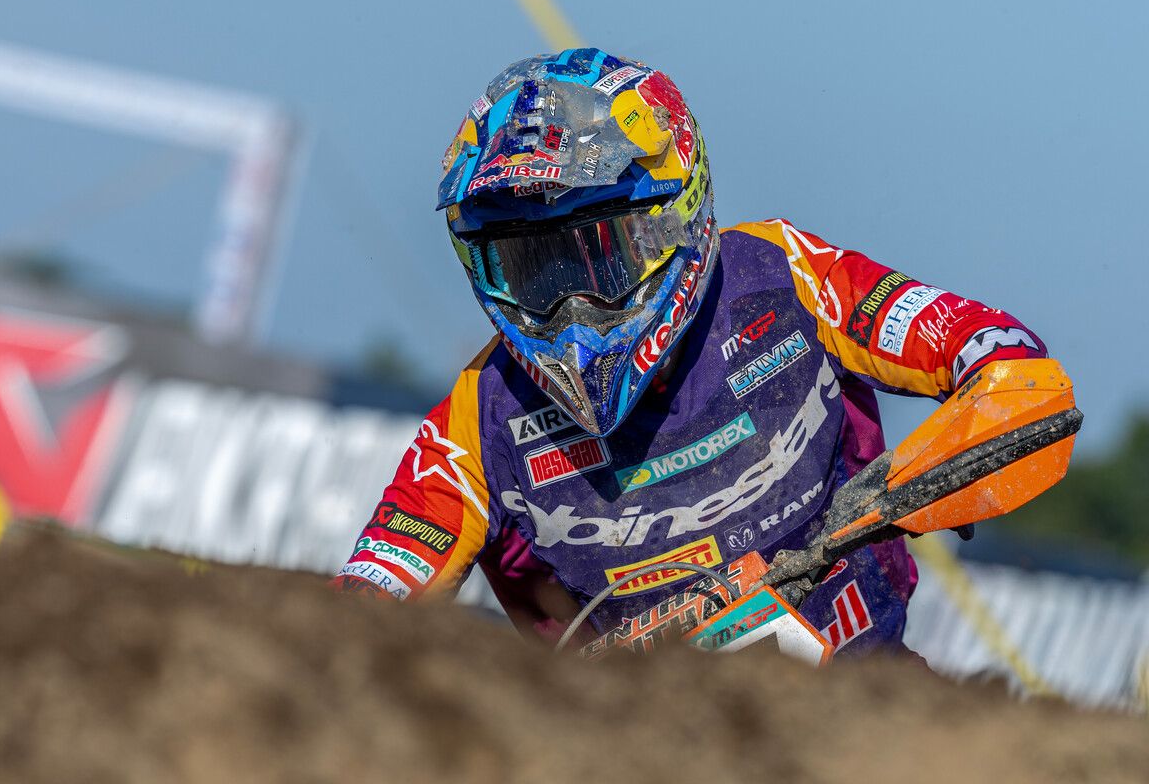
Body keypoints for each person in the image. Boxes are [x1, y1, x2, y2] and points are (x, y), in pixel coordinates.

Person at [333, 49, 1052, 654]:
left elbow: (1004, 356)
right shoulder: (478, 420)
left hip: (869, 707)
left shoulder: (788, 276)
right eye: (533, 272)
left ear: (675, 218)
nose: (571, 308)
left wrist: (950, 452)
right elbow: (351, 615)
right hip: (631, 743)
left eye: (600, 257)